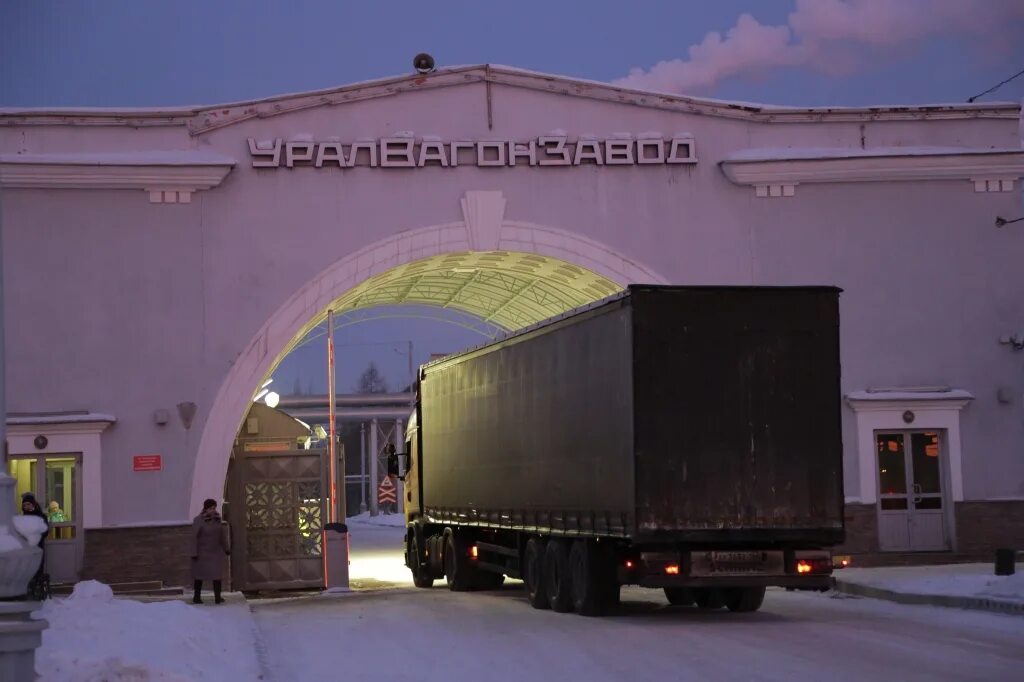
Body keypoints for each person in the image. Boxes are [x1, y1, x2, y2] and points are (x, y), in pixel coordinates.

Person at [190, 498, 230, 604]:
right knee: (199, 576)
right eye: (210, 508)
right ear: (206, 508)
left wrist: (226, 549)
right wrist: (194, 552)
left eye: (214, 508)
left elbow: (222, 536)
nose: (212, 510)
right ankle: (196, 597)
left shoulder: (217, 520)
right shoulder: (198, 520)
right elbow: (194, 537)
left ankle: (218, 597)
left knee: (217, 575)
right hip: (202, 553)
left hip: (215, 552)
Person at [22, 493, 50, 599]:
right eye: (24, 505)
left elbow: (45, 531)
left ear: (33, 504)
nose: (26, 507)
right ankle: (28, 592)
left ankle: (38, 593)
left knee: (38, 569)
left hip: (38, 547)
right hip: (26, 549)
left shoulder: (41, 517)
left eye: (28, 504)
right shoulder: (23, 518)